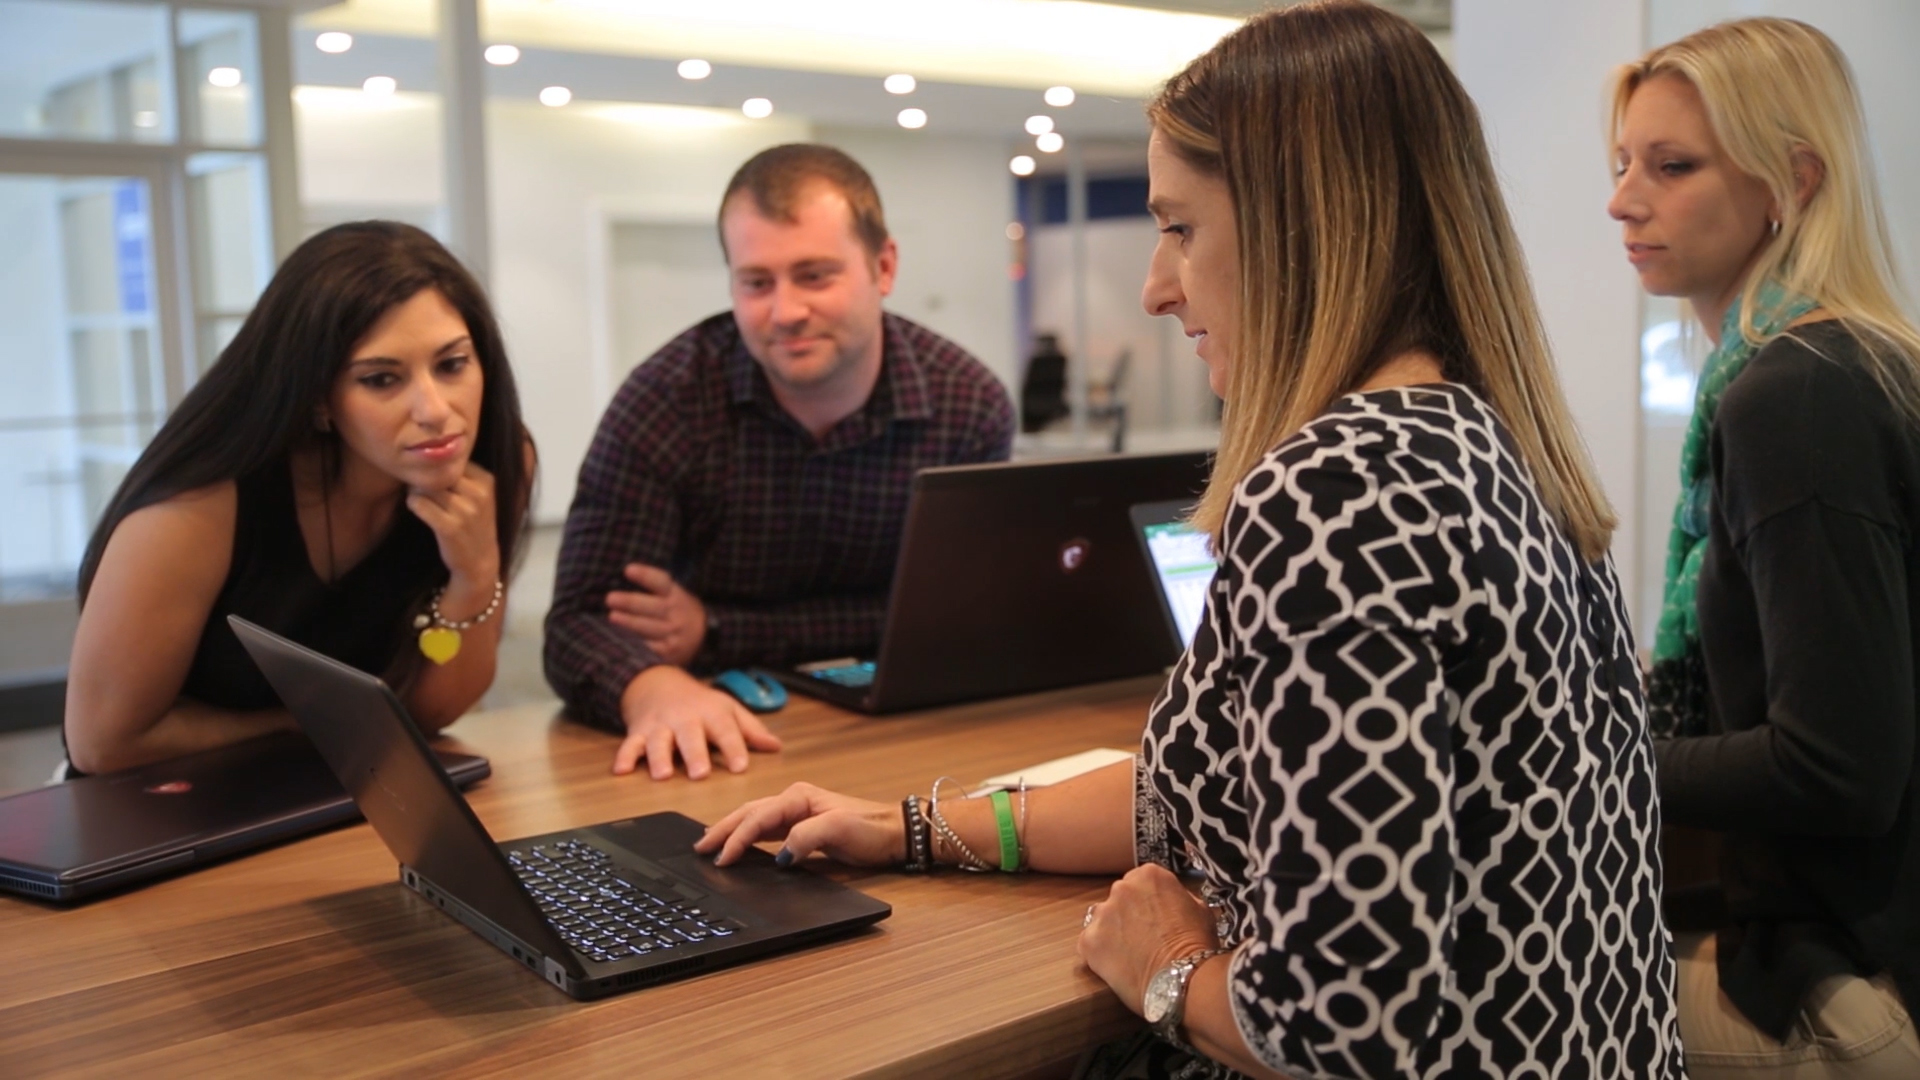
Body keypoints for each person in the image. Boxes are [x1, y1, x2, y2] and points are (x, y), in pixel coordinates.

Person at [695, 3, 1683, 1077]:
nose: (1156, 288)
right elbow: (1201, 790)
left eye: (1179, 229)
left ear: (1300, 222)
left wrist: (1165, 962)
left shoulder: (1338, 489)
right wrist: (912, 827)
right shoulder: (1497, 440)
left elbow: (1336, 1034)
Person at [1611, 18, 1920, 1077]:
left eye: (1672, 166)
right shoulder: (1847, 365)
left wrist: (1588, 761)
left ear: (1790, 179)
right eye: (1622, 165)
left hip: (1855, 995)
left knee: (1424, 1012)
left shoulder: (1796, 398)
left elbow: (1837, 767)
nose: (1622, 201)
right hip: (1850, 950)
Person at [543, 144, 1014, 781]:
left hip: (905, 737)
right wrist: (652, 683)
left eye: (815, 275)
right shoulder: (666, 401)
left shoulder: (967, 405)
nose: (785, 312)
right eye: (756, 282)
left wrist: (713, 628)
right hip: (710, 741)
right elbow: (578, 622)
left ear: (884, 266)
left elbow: (952, 619)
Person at [64, 222, 533, 776]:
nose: (434, 410)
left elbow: (430, 714)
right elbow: (104, 746)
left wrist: (474, 578)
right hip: (168, 806)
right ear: (317, 400)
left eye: (452, 365)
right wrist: (306, 723)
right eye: (382, 380)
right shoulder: (201, 507)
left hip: (348, 791)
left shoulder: (496, 464)